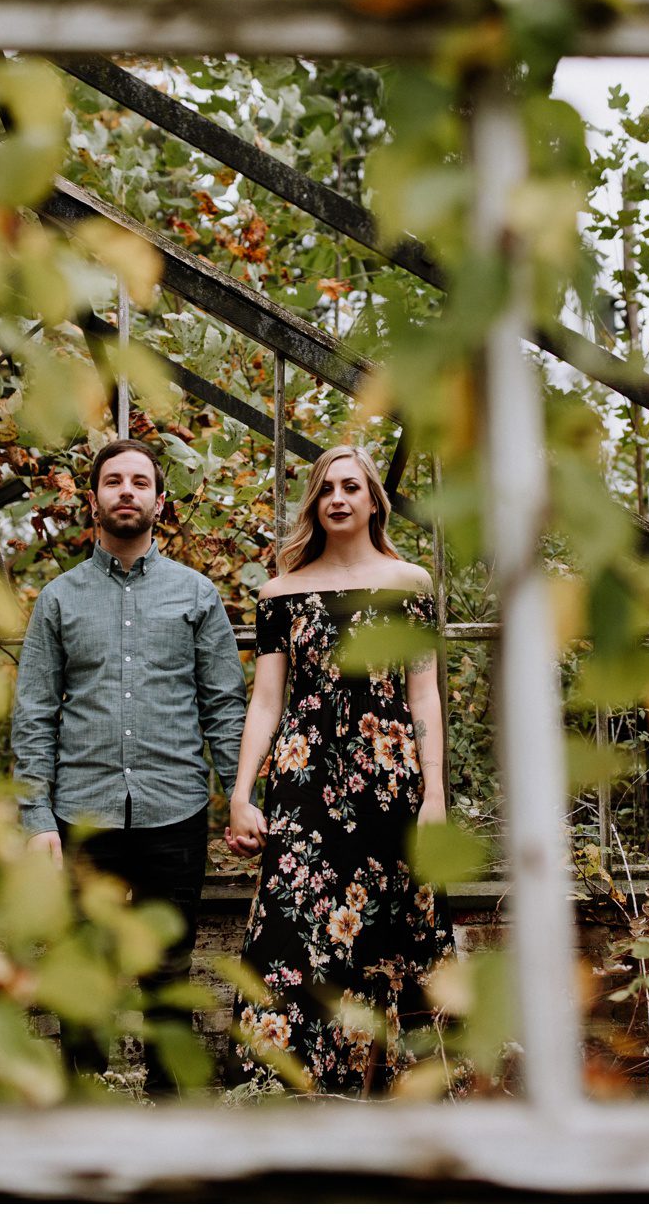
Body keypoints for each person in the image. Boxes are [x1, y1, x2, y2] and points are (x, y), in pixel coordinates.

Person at [10, 437, 247, 1095]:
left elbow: (224, 707)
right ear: (93, 499)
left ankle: (168, 1120)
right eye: (114, 481)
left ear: (159, 501)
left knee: (168, 975)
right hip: (82, 815)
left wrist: (240, 798)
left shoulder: (196, 594)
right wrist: (36, 817)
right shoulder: (59, 600)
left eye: (140, 482)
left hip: (176, 809)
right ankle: (83, 1114)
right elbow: (33, 715)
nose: (126, 491)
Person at [225, 444, 454, 1095]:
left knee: (392, 935)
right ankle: (282, 1091)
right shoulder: (279, 593)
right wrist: (241, 795)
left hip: (391, 785)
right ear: (314, 503)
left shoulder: (409, 584)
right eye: (326, 488)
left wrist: (434, 794)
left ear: (374, 501)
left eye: (351, 486)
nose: (338, 498)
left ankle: (399, 1092)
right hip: (303, 788)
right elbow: (266, 701)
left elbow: (424, 696)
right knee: (287, 932)